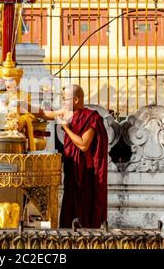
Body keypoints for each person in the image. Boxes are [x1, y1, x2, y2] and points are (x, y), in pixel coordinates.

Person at [31, 84, 109, 228]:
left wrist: (66, 127)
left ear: (76, 100)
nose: (63, 102)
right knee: (70, 200)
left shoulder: (91, 117)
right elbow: (44, 114)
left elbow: (84, 145)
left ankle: (87, 233)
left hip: (86, 170)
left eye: (65, 99)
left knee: (84, 203)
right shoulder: (67, 112)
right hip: (72, 166)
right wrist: (23, 105)